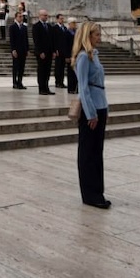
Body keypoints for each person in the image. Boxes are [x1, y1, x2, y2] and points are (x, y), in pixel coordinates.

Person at [74, 21, 110, 209]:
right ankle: (90, 195)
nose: (100, 38)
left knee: (97, 153)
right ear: (88, 36)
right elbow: (83, 87)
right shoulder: (82, 57)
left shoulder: (94, 56)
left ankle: (98, 191)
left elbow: (100, 85)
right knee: (88, 154)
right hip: (91, 112)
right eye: (97, 35)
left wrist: (105, 108)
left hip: (100, 107)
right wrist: (90, 114)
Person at [32, 9, 56, 95]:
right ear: (40, 16)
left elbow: (52, 40)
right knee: (41, 71)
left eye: (46, 15)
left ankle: (46, 87)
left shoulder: (49, 27)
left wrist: (53, 51)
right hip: (41, 53)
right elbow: (36, 40)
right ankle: (41, 88)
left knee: (47, 71)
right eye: (44, 15)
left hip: (49, 52)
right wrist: (40, 52)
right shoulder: (36, 26)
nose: (46, 17)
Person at [9, 11, 29, 89]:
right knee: (16, 67)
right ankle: (14, 82)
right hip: (16, 50)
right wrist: (13, 49)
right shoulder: (13, 27)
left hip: (23, 50)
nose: (21, 18)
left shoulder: (24, 27)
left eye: (22, 17)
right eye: (19, 16)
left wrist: (27, 49)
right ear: (16, 18)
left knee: (21, 67)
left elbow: (26, 39)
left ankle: (20, 82)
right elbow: (12, 39)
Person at [54, 13, 71, 89]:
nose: (62, 20)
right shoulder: (55, 28)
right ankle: (57, 82)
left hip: (64, 51)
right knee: (58, 67)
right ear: (57, 19)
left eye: (62, 18)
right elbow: (53, 39)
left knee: (62, 67)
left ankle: (61, 81)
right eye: (60, 18)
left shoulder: (65, 28)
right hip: (58, 51)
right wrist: (55, 49)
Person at [63, 17, 80, 94]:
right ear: (69, 24)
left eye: (75, 23)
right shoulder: (66, 33)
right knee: (70, 72)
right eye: (73, 23)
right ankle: (71, 88)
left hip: (76, 54)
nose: (75, 25)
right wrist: (67, 56)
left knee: (76, 72)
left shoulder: (77, 33)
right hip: (69, 54)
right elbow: (65, 45)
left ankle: (76, 87)